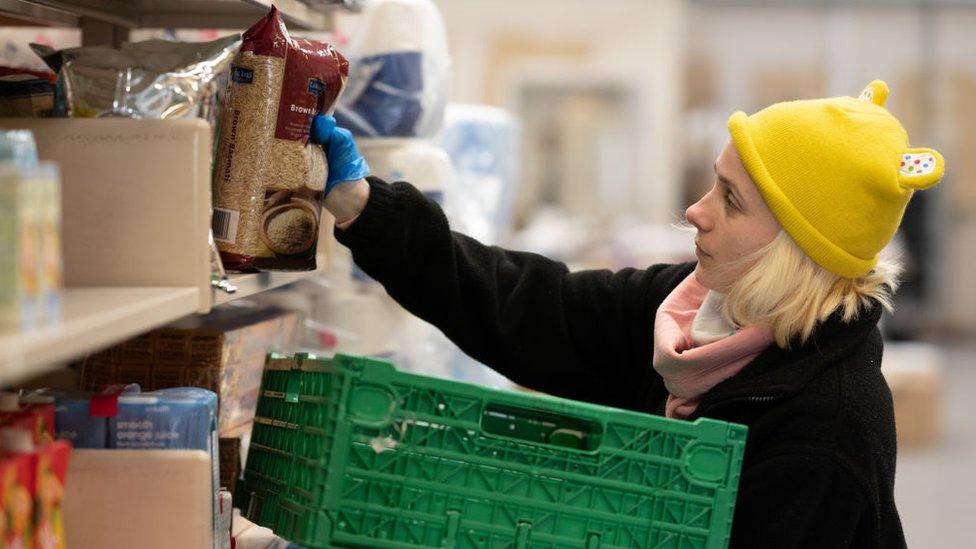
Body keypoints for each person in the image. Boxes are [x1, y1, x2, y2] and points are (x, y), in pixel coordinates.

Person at [309, 79, 943, 548]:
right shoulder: (692, 312)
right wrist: (366, 208)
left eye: (729, 199)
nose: (696, 210)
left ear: (794, 250)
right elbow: (528, 305)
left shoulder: (824, 430)